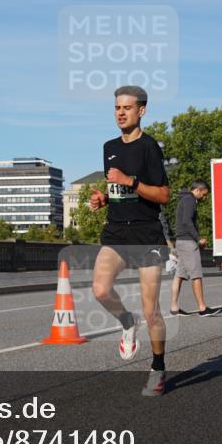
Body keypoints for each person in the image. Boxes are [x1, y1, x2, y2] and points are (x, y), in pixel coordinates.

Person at [89, 86, 172, 397]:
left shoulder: (150, 147)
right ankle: (127, 321)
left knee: (152, 312)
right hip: (116, 232)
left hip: (146, 234)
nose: (121, 113)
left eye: (127, 107)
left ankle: (158, 368)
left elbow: (163, 195)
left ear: (141, 110)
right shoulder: (109, 146)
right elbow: (116, 190)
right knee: (100, 290)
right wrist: (103, 199)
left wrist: (130, 181)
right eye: (117, 107)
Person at [170, 181, 220, 317]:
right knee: (196, 274)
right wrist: (198, 239)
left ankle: (174, 308)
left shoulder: (184, 198)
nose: (204, 197)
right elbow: (187, 221)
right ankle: (202, 308)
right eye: (204, 194)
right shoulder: (190, 200)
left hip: (181, 241)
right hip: (188, 242)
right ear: (198, 190)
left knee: (179, 275)